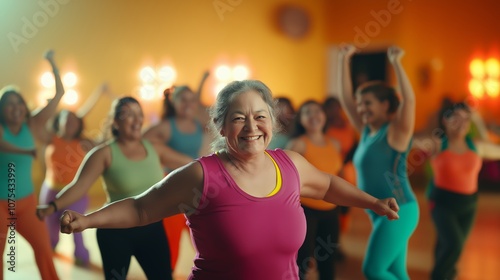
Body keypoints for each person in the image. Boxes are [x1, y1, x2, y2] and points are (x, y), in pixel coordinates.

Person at [58, 80, 400, 280]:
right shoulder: (201, 176)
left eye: (260, 116)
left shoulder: (290, 166)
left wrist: (373, 202)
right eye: (239, 118)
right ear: (221, 127)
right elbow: (140, 209)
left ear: (272, 122)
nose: (252, 128)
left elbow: (327, 185)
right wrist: (87, 221)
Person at [37, 96, 192, 280]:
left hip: (153, 230)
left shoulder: (155, 149)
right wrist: (52, 206)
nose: (136, 121)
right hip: (115, 232)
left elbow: (191, 164)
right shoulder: (104, 153)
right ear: (115, 122)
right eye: (129, 115)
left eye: (139, 114)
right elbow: (79, 186)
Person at [337, 45, 419, 280]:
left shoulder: (396, 132)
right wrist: (343, 60)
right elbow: (345, 97)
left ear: (385, 105)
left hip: (400, 209)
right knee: (395, 271)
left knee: (373, 270)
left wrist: (396, 62)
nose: (361, 109)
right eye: (360, 104)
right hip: (379, 212)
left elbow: (409, 102)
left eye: (368, 103)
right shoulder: (366, 131)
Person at [414, 102, 500, 280]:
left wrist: (479, 121)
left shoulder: (476, 145)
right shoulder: (438, 143)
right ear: (446, 120)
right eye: (457, 119)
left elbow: (497, 150)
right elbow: (410, 140)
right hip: (441, 203)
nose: (462, 124)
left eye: (466, 120)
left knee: (445, 244)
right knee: (454, 244)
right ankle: (440, 275)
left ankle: (447, 274)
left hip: (468, 205)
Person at [0, 50, 61, 280]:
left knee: (44, 250)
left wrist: (52, 63)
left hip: (26, 203)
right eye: (9, 104)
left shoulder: (33, 125)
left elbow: (59, 94)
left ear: (25, 107)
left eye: (19, 103)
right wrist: (27, 150)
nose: (15, 107)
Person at [143, 72, 210, 270]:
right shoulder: (166, 126)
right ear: (173, 102)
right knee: (171, 239)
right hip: (171, 187)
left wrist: (202, 81)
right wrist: (171, 157)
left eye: (192, 100)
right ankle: (166, 272)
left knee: (204, 238)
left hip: (197, 186)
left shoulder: (201, 124)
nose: (188, 103)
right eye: (183, 99)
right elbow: (140, 142)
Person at [38, 83, 109, 266]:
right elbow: (36, 123)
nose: (70, 122)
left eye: (74, 120)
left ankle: (81, 256)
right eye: (66, 119)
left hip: (75, 193)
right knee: (50, 228)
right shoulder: (51, 138)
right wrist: (48, 106)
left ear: (79, 124)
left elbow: (104, 144)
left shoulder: (84, 142)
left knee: (76, 227)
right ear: (58, 121)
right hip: (50, 191)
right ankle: (50, 248)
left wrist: (98, 95)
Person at [287, 100, 342, 279]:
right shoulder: (297, 144)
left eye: (317, 111)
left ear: (324, 116)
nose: (313, 116)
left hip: (332, 210)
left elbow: (336, 177)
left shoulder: (335, 143)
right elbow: (287, 180)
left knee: (328, 261)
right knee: (303, 262)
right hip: (305, 211)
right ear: (301, 120)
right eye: (307, 112)